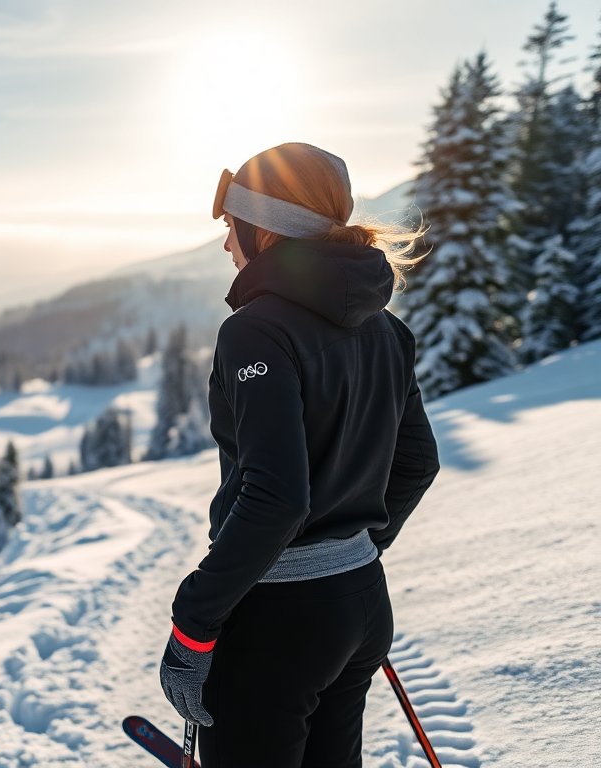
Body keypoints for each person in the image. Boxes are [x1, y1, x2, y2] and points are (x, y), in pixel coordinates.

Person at [158, 142, 442, 767]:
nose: (226, 244)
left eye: (232, 225)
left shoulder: (256, 330)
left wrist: (193, 626)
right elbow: (417, 461)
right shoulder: (387, 328)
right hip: (361, 605)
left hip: (277, 620)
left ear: (264, 229)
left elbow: (277, 496)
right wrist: (349, 551)